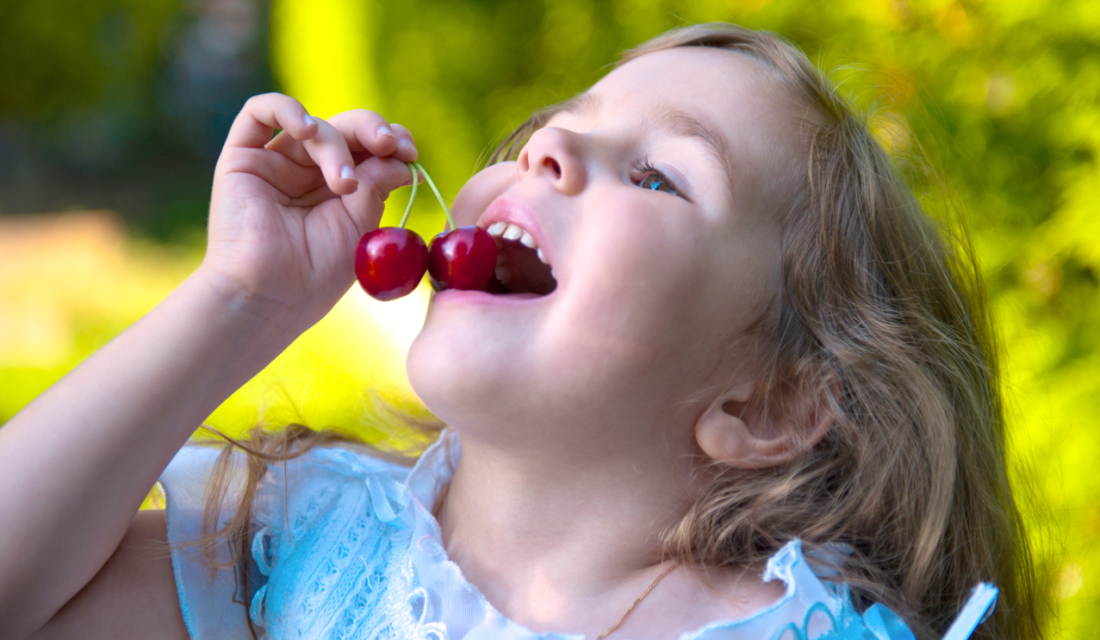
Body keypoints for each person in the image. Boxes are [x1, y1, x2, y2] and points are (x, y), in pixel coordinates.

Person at [0, 22, 1042, 640]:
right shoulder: (302, 548)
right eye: (559, 123)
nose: (546, 147)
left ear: (765, 401)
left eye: (655, 175)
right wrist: (240, 299)